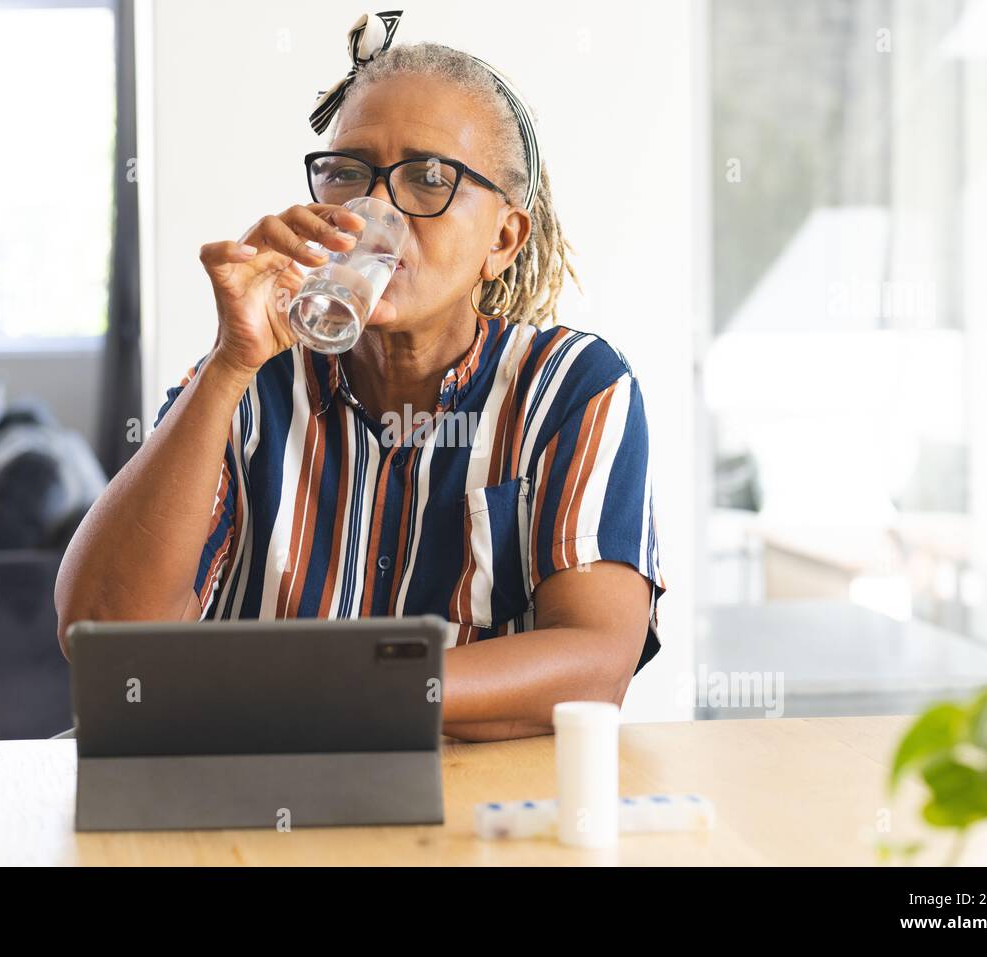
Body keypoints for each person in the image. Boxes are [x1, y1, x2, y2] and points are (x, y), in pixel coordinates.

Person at [56, 12, 666, 741]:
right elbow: (99, 631)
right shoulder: (244, 386)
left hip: (466, 816)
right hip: (248, 802)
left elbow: (593, 665)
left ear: (503, 240)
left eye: (429, 178)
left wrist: (334, 683)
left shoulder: (573, 389)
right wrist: (229, 363)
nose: (376, 209)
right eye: (348, 174)